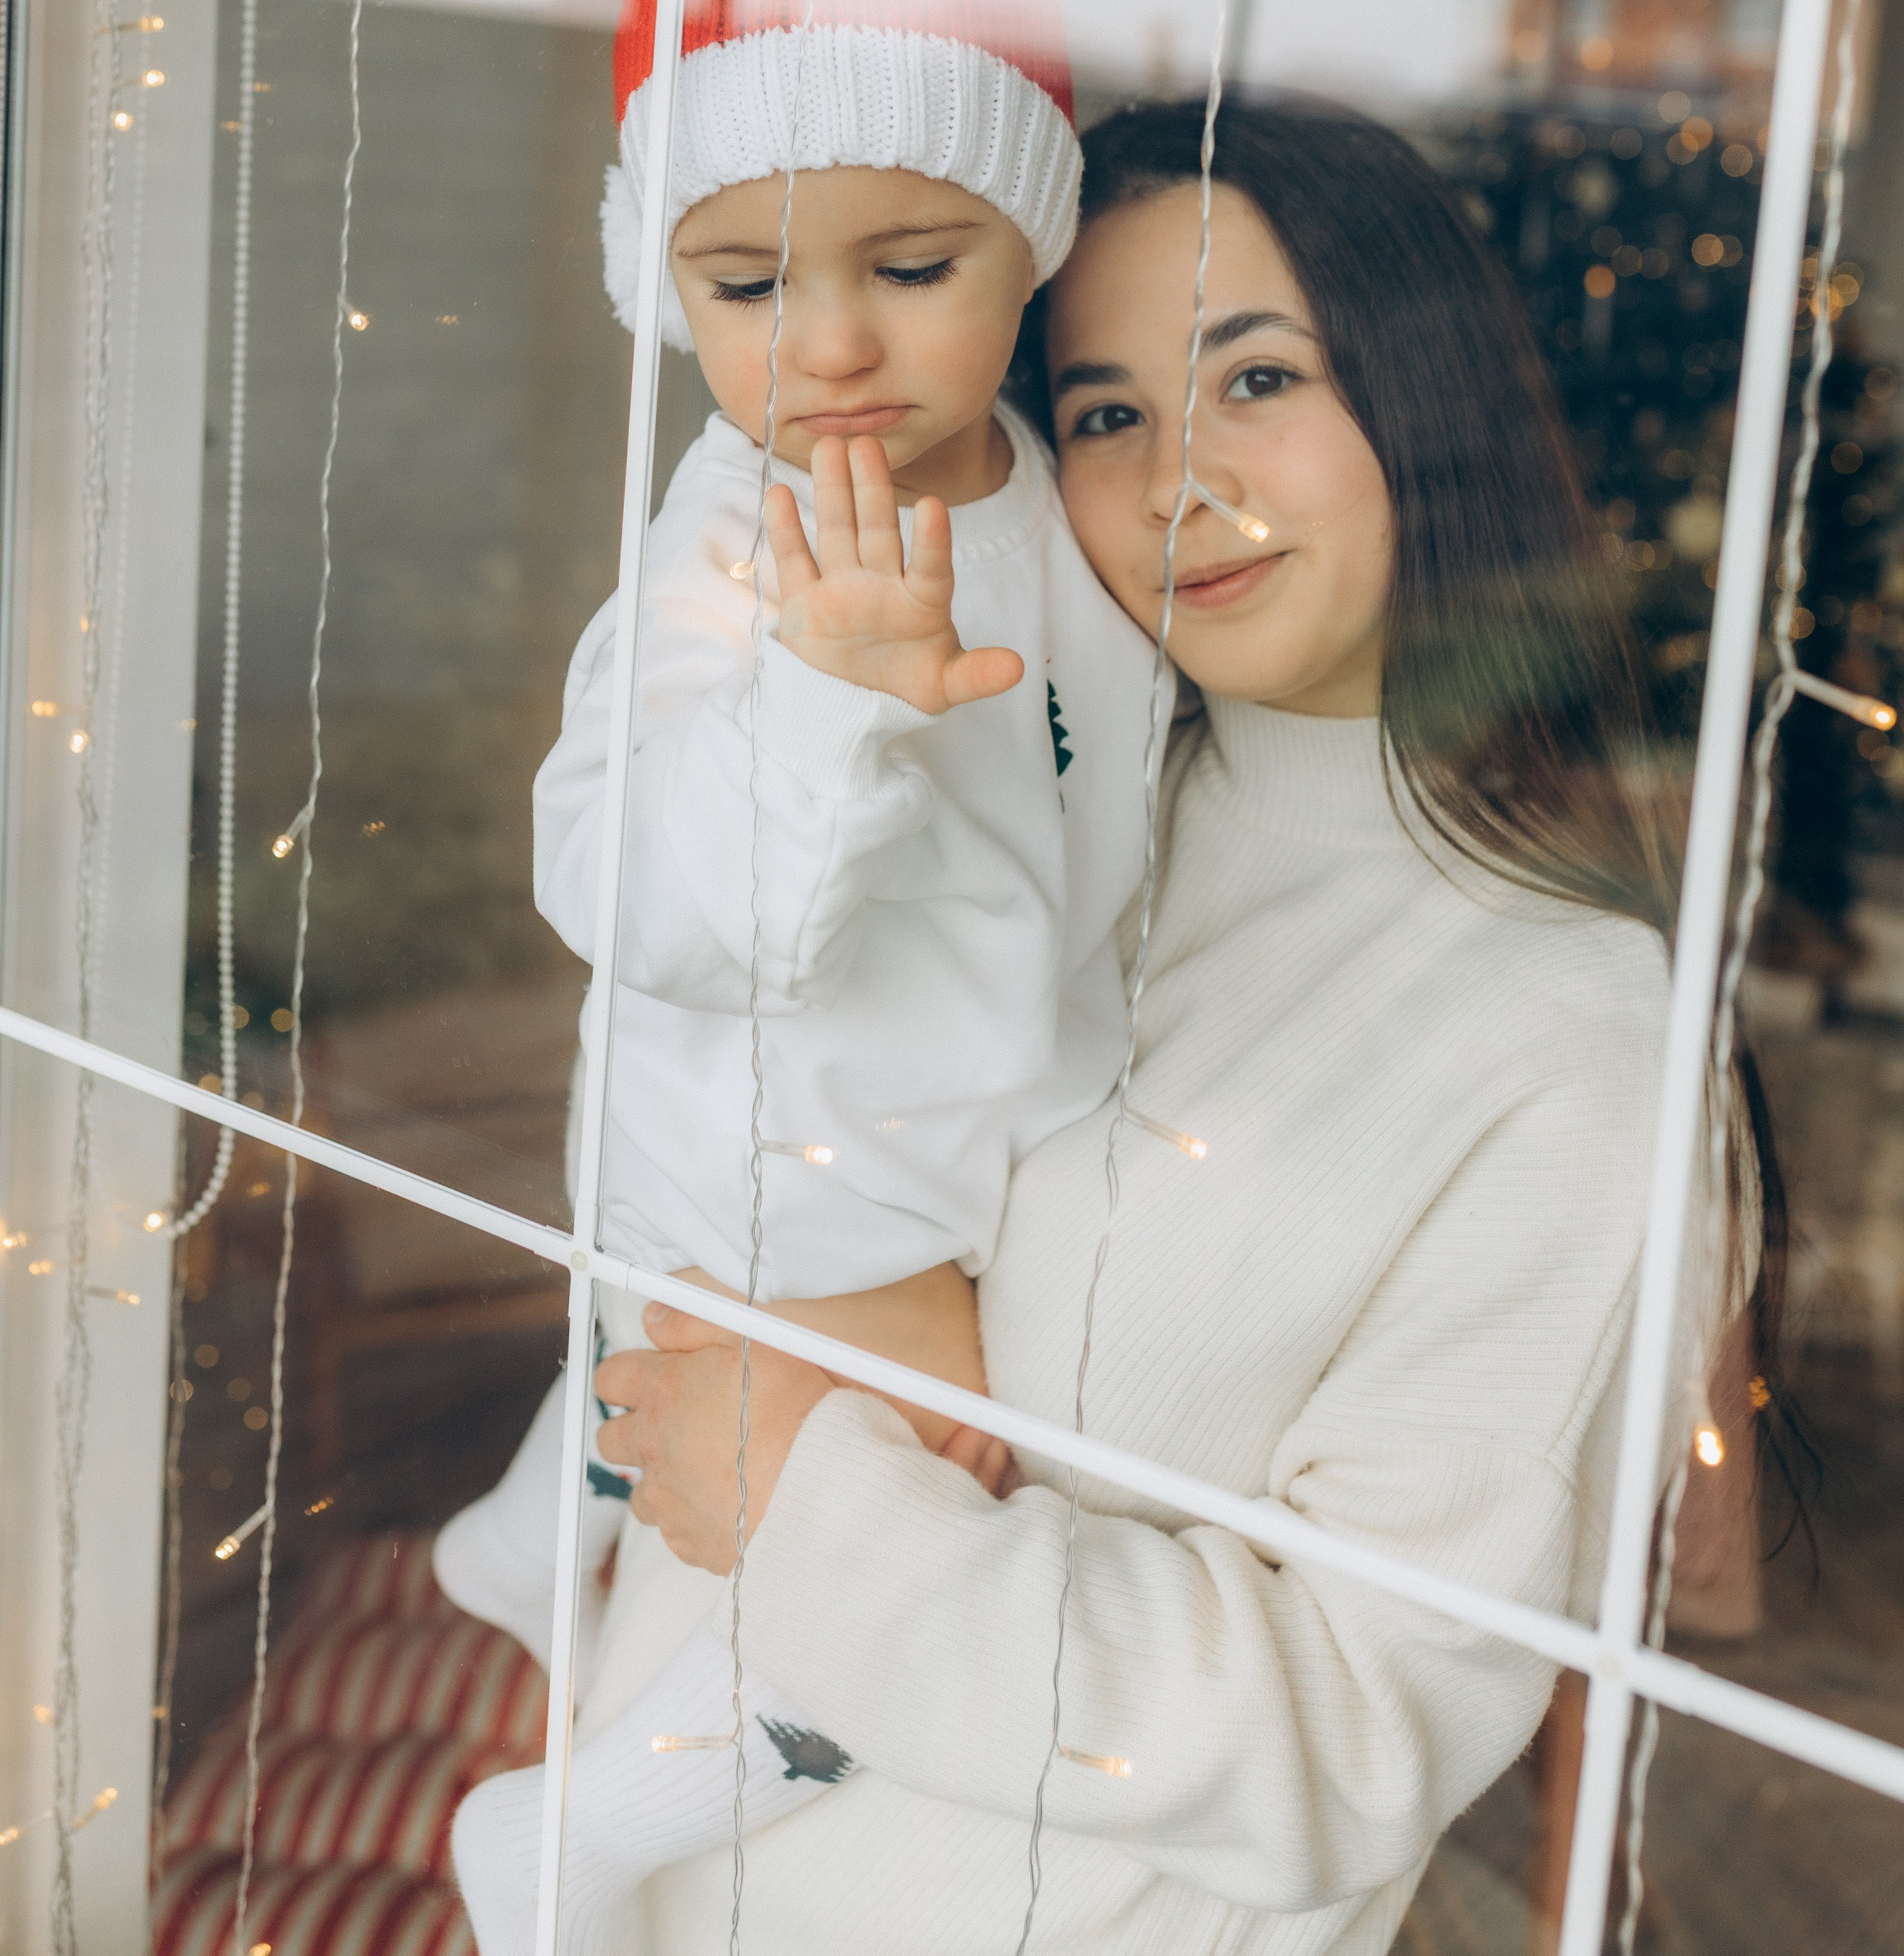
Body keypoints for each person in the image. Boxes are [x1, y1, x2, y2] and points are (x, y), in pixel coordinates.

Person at [571, 94, 1768, 1956]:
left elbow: (1345, 1734)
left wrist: (807, 1507)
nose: (1173, 483)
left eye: (1258, 377)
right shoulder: (1042, 796)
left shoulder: (1574, 1035)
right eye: (1110, 412)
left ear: (1426, 396)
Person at [443, 0, 1157, 1947]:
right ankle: (576, 1830)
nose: (828, 344)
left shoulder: (1054, 497)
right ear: (665, 287)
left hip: (945, 1127)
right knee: (913, 1509)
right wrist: (828, 704)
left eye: (911, 266)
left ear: (1027, 245)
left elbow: (1081, 809)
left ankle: (531, 1511)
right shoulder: (723, 545)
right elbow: (632, 887)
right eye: (747, 289)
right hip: (775, 1156)